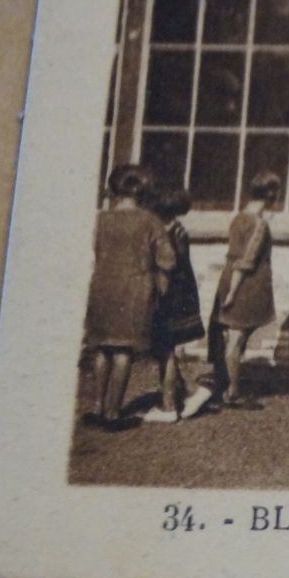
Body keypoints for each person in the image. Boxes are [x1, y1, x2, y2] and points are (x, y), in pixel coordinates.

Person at [84, 164, 174, 432]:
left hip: (102, 286)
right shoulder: (150, 221)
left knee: (101, 348)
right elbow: (168, 259)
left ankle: (97, 407)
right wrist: (161, 287)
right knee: (123, 350)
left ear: (113, 189)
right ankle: (113, 413)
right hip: (134, 289)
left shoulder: (100, 218)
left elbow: (94, 250)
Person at [210, 171, 282, 408]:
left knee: (234, 336)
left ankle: (227, 383)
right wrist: (232, 293)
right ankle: (233, 393)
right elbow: (246, 261)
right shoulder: (259, 224)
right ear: (271, 195)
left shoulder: (239, 217)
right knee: (237, 337)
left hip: (229, 278)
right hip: (245, 284)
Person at [141, 187, 213, 424]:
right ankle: (185, 391)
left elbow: (167, 267)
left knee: (165, 349)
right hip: (181, 295)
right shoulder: (179, 230)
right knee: (164, 348)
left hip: (169, 296)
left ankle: (169, 405)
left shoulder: (164, 234)